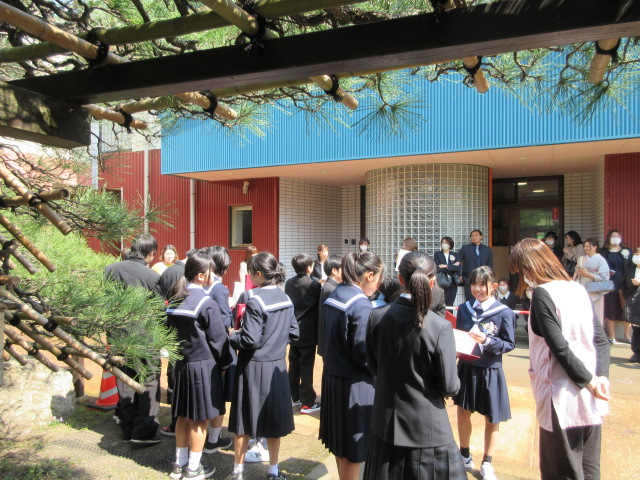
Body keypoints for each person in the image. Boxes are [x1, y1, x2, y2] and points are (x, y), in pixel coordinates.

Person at [509, 238, 610, 480]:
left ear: (531, 265)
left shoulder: (543, 293)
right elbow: (601, 341)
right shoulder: (578, 289)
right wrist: (600, 378)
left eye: (522, 270)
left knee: (561, 469)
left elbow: (558, 347)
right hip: (591, 395)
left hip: (560, 394)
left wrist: (590, 381)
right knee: (588, 465)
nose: (523, 276)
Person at [364, 251, 466, 480]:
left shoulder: (376, 317)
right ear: (432, 281)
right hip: (428, 431)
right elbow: (450, 387)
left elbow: (374, 367)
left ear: (400, 278)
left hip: (385, 424)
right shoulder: (439, 326)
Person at [228, 252, 299, 480]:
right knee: (274, 422)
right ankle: (273, 471)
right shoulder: (285, 298)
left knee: (244, 422)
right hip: (277, 366)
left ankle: (238, 472)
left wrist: (232, 336)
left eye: (250, 272)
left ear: (258, 274)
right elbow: (295, 333)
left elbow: (250, 339)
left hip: (252, 366)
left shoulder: (255, 300)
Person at [165, 252, 232, 480]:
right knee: (200, 420)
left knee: (183, 416)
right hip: (203, 367)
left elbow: (167, 333)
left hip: (181, 365)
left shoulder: (175, 300)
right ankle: (193, 469)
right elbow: (219, 340)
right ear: (201, 276)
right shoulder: (206, 303)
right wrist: (225, 363)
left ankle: (179, 464)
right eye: (211, 272)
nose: (214, 275)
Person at [319, 252, 384, 480]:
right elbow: (363, 353)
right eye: (378, 279)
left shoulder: (336, 293)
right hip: (355, 385)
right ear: (369, 276)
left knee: (340, 445)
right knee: (353, 451)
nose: (378, 286)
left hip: (333, 378)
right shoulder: (361, 304)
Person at [454, 266, 516, 480]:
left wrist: (488, 341)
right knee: (462, 412)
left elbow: (509, 343)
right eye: (473, 284)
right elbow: (459, 335)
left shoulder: (504, 312)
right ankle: (464, 455)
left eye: (482, 285)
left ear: (494, 286)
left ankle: (487, 462)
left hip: (491, 370)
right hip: (467, 368)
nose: (477, 289)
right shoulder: (464, 309)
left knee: (492, 417)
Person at [104, 233, 162, 445]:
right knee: (149, 381)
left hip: (118, 334)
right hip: (145, 336)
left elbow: (106, 301)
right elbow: (159, 309)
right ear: (151, 253)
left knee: (124, 381)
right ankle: (144, 431)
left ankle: (127, 428)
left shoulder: (111, 269)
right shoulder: (152, 277)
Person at [201, 246, 235, 453]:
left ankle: (197, 437)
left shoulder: (195, 286)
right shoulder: (219, 289)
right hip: (217, 350)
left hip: (199, 348)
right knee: (217, 395)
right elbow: (223, 322)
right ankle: (213, 439)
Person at [285, 253, 322, 414]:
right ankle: (307, 402)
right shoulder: (314, 284)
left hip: (293, 329)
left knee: (293, 365)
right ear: (309, 267)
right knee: (306, 365)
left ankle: (293, 397)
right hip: (308, 331)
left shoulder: (289, 283)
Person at [600, 230, 633, 343]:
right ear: (608, 238)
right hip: (609, 284)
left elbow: (632, 267)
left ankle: (627, 335)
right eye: (613, 236)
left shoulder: (627, 251)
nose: (615, 238)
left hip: (624, 285)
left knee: (626, 309)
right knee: (611, 308)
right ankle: (611, 335)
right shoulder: (603, 252)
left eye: (617, 236)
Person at [574, 238, 610, 329]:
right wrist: (577, 274)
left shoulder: (601, 260)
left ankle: (596, 332)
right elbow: (576, 274)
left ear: (595, 247)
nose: (586, 248)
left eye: (588, 246)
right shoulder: (581, 259)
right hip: (583, 288)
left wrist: (588, 274)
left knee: (596, 311)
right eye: (585, 246)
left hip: (596, 288)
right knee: (583, 312)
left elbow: (604, 277)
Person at [317, 254, 342, 358]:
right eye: (343, 269)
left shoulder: (330, 286)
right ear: (334, 270)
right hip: (330, 341)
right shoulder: (332, 289)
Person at [458, 230, 494, 301]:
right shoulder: (465, 248)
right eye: (472, 236)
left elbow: (490, 264)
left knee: (483, 299)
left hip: (483, 278)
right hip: (468, 278)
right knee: (470, 300)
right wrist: (459, 274)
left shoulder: (487, 249)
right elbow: (457, 261)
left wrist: (489, 276)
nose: (474, 237)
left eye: (476, 235)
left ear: (481, 237)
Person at [434, 236, 461, 306]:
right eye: (443, 243)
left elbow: (458, 268)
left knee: (450, 303)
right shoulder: (437, 254)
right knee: (441, 303)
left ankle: (449, 314)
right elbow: (437, 267)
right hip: (442, 281)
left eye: (446, 243)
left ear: (450, 244)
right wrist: (452, 266)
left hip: (452, 282)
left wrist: (445, 266)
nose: (444, 244)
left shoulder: (455, 255)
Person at [624, 247, 640, 362]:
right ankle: (637, 352)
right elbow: (624, 284)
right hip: (634, 301)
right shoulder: (630, 269)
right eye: (636, 254)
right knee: (636, 328)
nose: (637, 256)